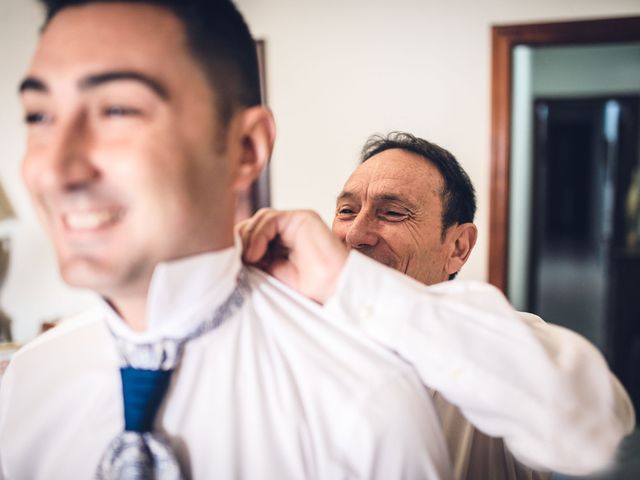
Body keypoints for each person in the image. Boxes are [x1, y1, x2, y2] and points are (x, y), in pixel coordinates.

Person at [0, 2, 452, 478]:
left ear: (246, 148)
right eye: (39, 116)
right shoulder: (28, 384)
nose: (55, 170)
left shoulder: (366, 407)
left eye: (117, 110)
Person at [238, 133, 636, 479]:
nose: (355, 233)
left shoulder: (511, 344)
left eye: (392, 213)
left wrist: (353, 285)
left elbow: (600, 427)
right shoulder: (293, 345)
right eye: (346, 211)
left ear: (458, 247)